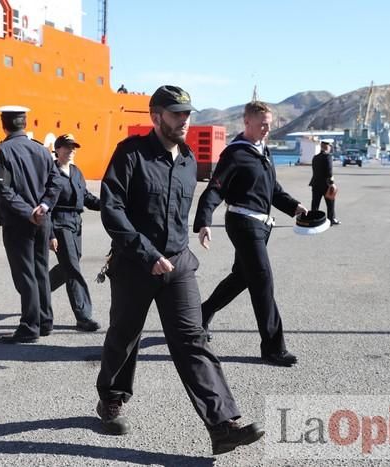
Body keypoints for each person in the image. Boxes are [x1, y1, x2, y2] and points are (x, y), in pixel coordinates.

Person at [96, 85, 264, 455]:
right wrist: (145, 251)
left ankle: (223, 425)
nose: (184, 120)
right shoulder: (131, 154)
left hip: (178, 265)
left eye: (187, 113)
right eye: (176, 113)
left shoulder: (189, 160)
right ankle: (111, 397)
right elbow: (112, 209)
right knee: (125, 334)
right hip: (136, 264)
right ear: (156, 116)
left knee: (192, 341)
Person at [193, 101, 307, 367]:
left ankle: (203, 313)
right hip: (243, 224)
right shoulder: (235, 154)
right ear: (247, 123)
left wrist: (295, 207)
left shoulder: (262, 151)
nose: (267, 129)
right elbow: (215, 189)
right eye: (262, 124)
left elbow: (273, 190)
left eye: (269, 123)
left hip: (262, 225)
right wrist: (204, 221)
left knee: (242, 277)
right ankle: (273, 348)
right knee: (263, 281)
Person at [0, 106, 63, 344]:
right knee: (41, 269)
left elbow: (3, 190)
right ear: (24, 122)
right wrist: (45, 206)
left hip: (19, 223)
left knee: (25, 275)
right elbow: (56, 181)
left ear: (4, 123)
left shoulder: (2, 150)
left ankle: (30, 326)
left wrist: (27, 212)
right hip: (43, 220)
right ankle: (45, 321)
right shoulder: (41, 149)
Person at [47, 133, 101, 332]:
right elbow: (46, 205)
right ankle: (83, 316)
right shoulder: (50, 172)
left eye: (74, 148)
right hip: (59, 223)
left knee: (70, 263)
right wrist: (50, 234)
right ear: (57, 149)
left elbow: (85, 197)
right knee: (72, 269)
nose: (71, 151)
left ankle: (39, 291)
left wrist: (108, 205)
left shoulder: (76, 172)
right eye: (67, 147)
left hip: (76, 223)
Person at [309, 140, 339, 225]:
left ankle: (313, 219)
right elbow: (329, 172)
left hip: (315, 183)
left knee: (315, 203)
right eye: (330, 146)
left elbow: (315, 171)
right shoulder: (328, 157)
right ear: (327, 147)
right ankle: (331, 219)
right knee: (330, 203)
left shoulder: (315, 157)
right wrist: (332, 183)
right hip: (326, 185)